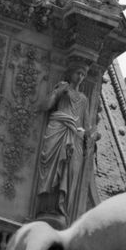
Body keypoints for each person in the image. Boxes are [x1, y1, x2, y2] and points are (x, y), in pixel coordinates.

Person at [36, 65, 97, 226]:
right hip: (58, 130)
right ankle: (47, 206)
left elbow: (86, 125)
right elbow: (45, 106)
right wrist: (57, 92)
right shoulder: (62, 89)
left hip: (74, 137)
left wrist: (91, 135)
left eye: (83, 74)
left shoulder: (84, 99)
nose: (81, 77)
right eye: (78, 72)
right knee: (52, 168)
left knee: (69, 172)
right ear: (71, 73)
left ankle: (60, 208)